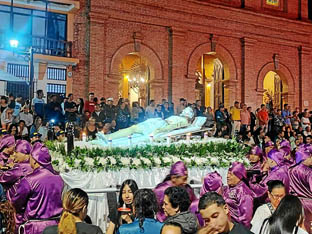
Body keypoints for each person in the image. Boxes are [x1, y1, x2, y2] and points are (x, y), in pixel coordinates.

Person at [10, 142, 64, 234]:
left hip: (35, 227)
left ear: (35, 159)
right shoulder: (59, 178)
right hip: (56, 225)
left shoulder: (29, 180)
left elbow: (17, 202)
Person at [223, 162, 254, 228]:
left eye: (231, 174)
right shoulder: (229, 188)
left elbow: (246, 219)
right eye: (228, 173)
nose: (227, 176)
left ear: (239, 176)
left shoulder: (244, 193)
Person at [288, 148, 312, 231]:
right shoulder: (309, 172)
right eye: (310, 157)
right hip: (308, 204)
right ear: (304, 158)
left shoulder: (290, 170)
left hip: (296, 202)